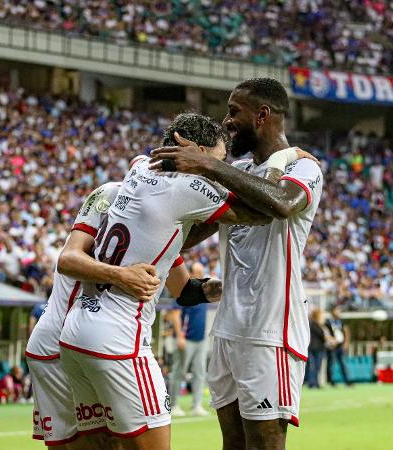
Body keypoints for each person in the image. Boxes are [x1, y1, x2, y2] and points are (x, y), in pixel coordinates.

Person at [59, 112, 291, 450]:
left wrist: (213, 288)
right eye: (217, 160)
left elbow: (166, 236)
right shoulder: (189, 187)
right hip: (119, 340)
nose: (218, 169)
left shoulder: (139, 165)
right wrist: (280, 160)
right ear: (195, 150)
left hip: (76, 335)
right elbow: (265, 209)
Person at [150, 78, 323, 450]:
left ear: (262, 115)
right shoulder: (240, 168)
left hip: (270, 331)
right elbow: (192, 232)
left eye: (233, 112)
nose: (226, 122)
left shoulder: (305, 170)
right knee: (233, 443)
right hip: (228, 327)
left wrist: (208, 166)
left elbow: (280, 203)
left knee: (265, 444)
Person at [26, 180, 161, 450]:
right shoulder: (114, 195)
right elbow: (67, 261)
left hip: (64, 344)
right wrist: (121, 275)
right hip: (62, 345)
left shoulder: (150, 216)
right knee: (100, 444)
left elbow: (185, 286)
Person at [169, 261, 210, 417]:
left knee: (200, 373)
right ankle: (173, 406)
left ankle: (197, 405)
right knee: (178, 372)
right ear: (191, 274)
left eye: (202, 272)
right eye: (198, 272)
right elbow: (175, 314)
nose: (201, 275)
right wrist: (180, 336)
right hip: (186, 339)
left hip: (201, 339)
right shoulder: (184, 291)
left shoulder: (205, 293)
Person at [325, 305, 352, 386]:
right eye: (337, 310)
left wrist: (346, 343)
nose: (339, 312)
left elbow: (346, 331)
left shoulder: (341, 321)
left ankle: (347, 381)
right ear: (332, 311)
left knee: (343, 363)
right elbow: (325, 332)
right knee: (330, 364)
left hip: (340, 346)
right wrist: (331, 341)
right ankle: (331, 381)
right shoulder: (328, 322)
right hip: (332, 346)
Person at [307, 309, 328, 388]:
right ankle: (312, 383)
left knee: (317, 366)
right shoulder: (313, 324)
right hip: (314, 349)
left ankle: (316, 382)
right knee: (313, 366)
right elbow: (322, 335)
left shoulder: (319, 325)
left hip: (319, 348)